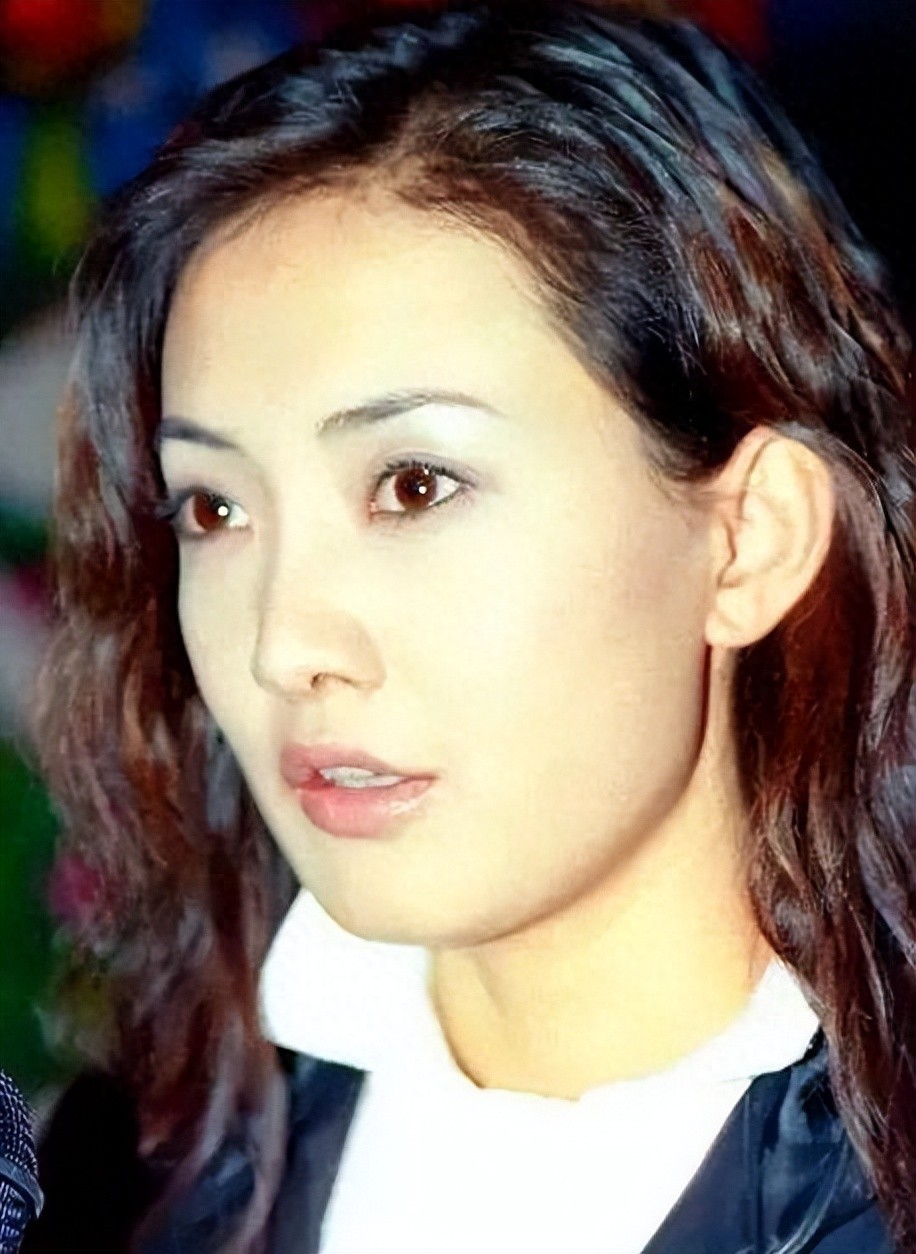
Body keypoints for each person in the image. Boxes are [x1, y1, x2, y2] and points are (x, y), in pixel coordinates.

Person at [22, 2, 915, 1252]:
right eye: (215, 508)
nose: (283, 645)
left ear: (749, 537)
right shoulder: (127, 1171)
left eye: (413, 486)